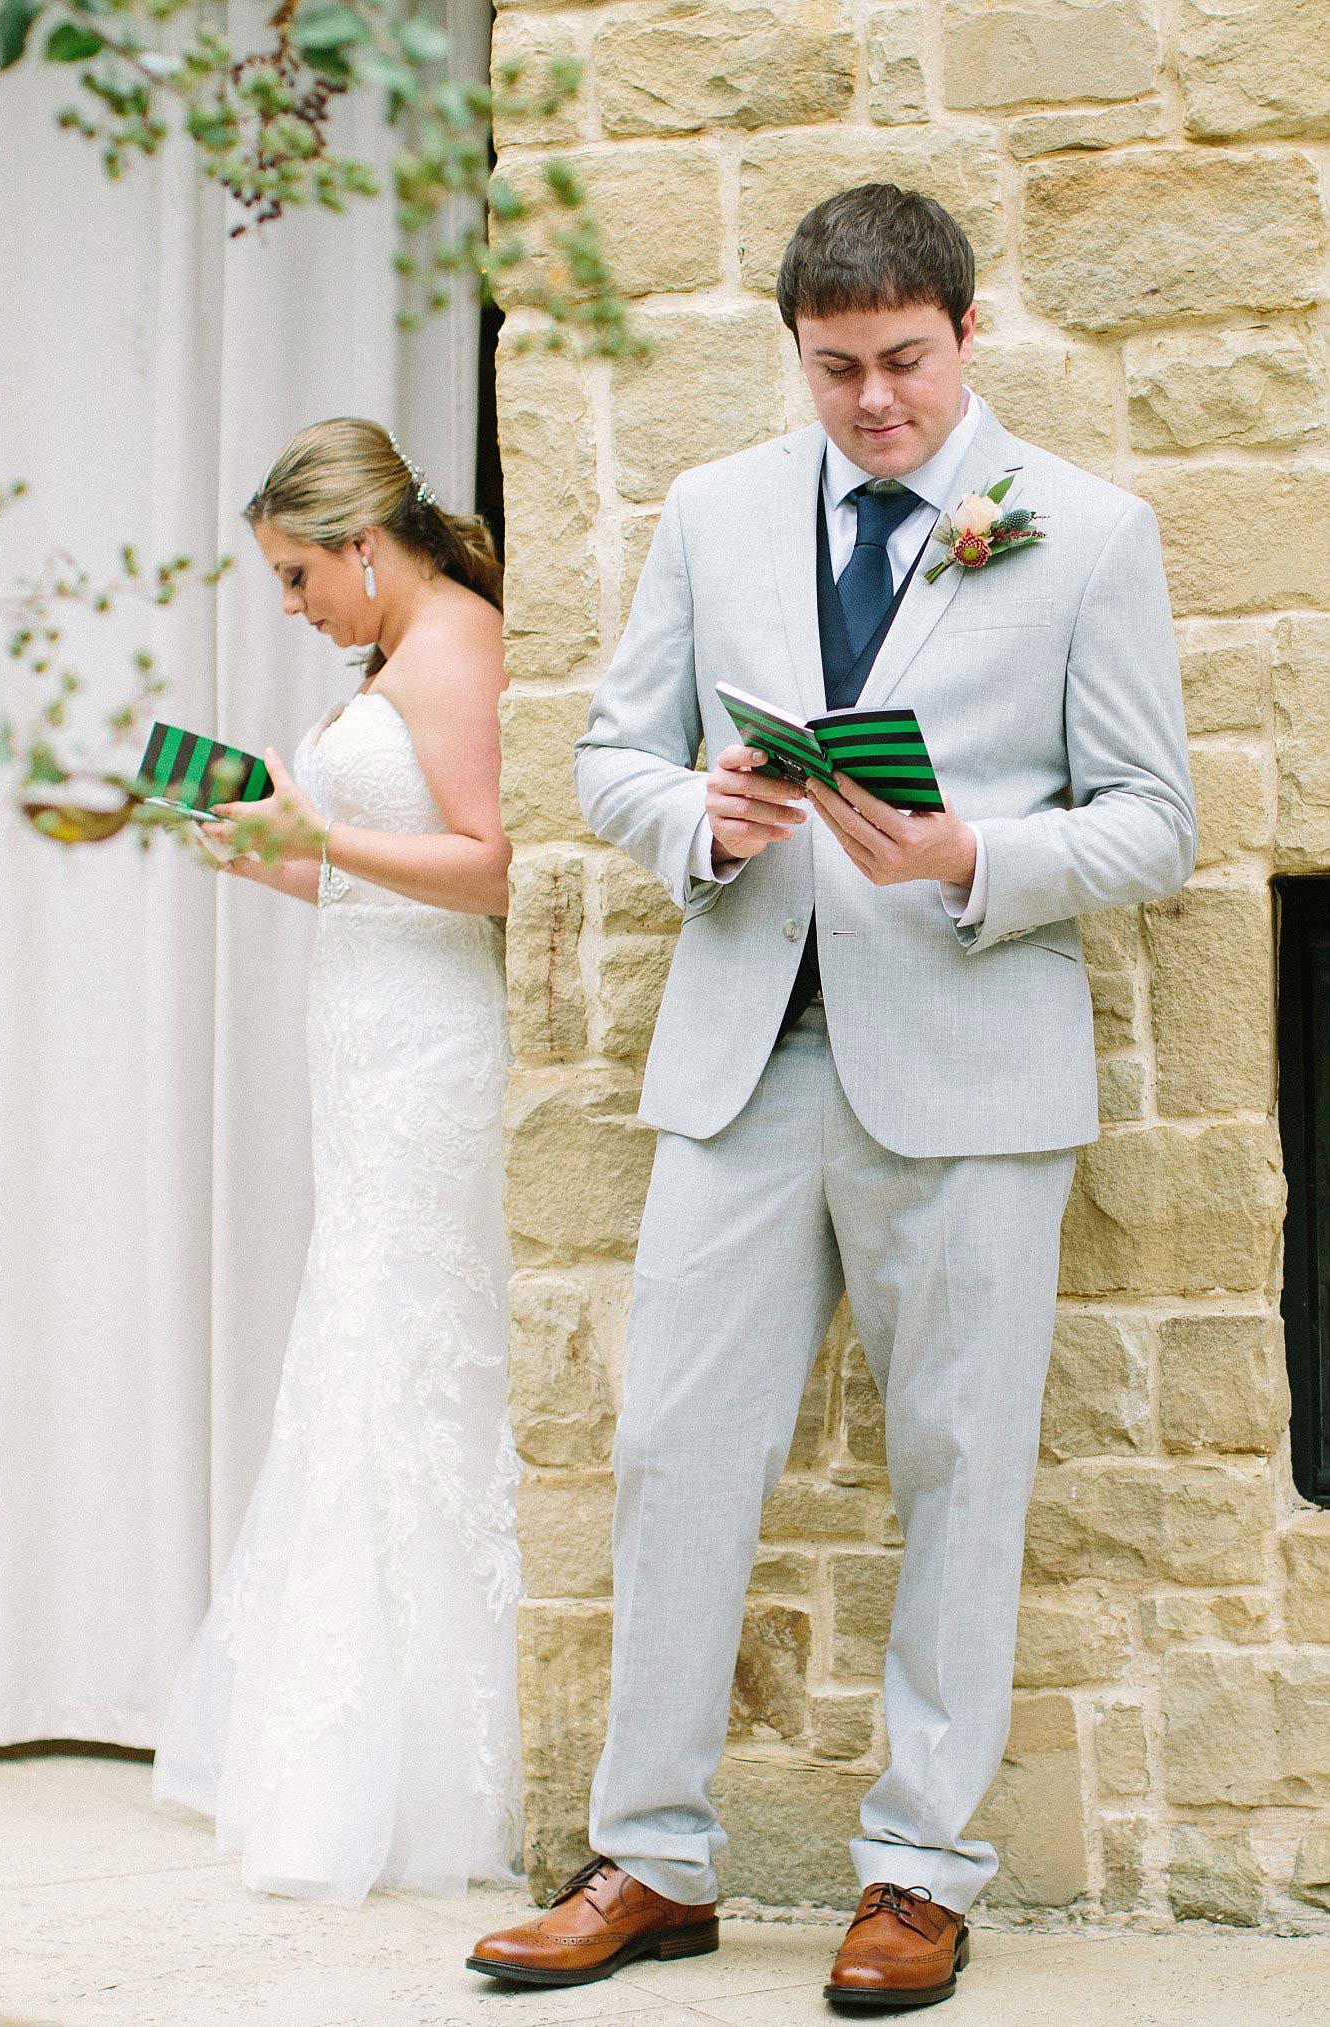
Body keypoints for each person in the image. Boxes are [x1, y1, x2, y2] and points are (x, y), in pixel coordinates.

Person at [467, 185, 1194, 2005]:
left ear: (966, 336)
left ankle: (920, 1871)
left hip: (964, 1068)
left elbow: (1156, 826)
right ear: (793, 351)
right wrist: (690, 820)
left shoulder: (1089, 534)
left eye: (905, 364)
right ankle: (651, 1862)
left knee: (960, 1466)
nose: (874, 402)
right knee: (670, 1459)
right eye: (836, 367)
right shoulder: (713, 515)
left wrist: (972, 856)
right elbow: (608, 754)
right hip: (740, 1062)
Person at [152, 418, 523, 1904]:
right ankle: (334, 1728)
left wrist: (324, 836)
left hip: (434, 1054)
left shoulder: (455, 648)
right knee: (358, 1351)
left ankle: (435, 1767)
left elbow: (496, 866)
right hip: (366, 1041)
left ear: (367, 546)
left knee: (410, 1353)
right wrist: (266, 848)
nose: (295, 607)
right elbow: (378, 868)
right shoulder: (390, 661)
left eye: (302, 577)